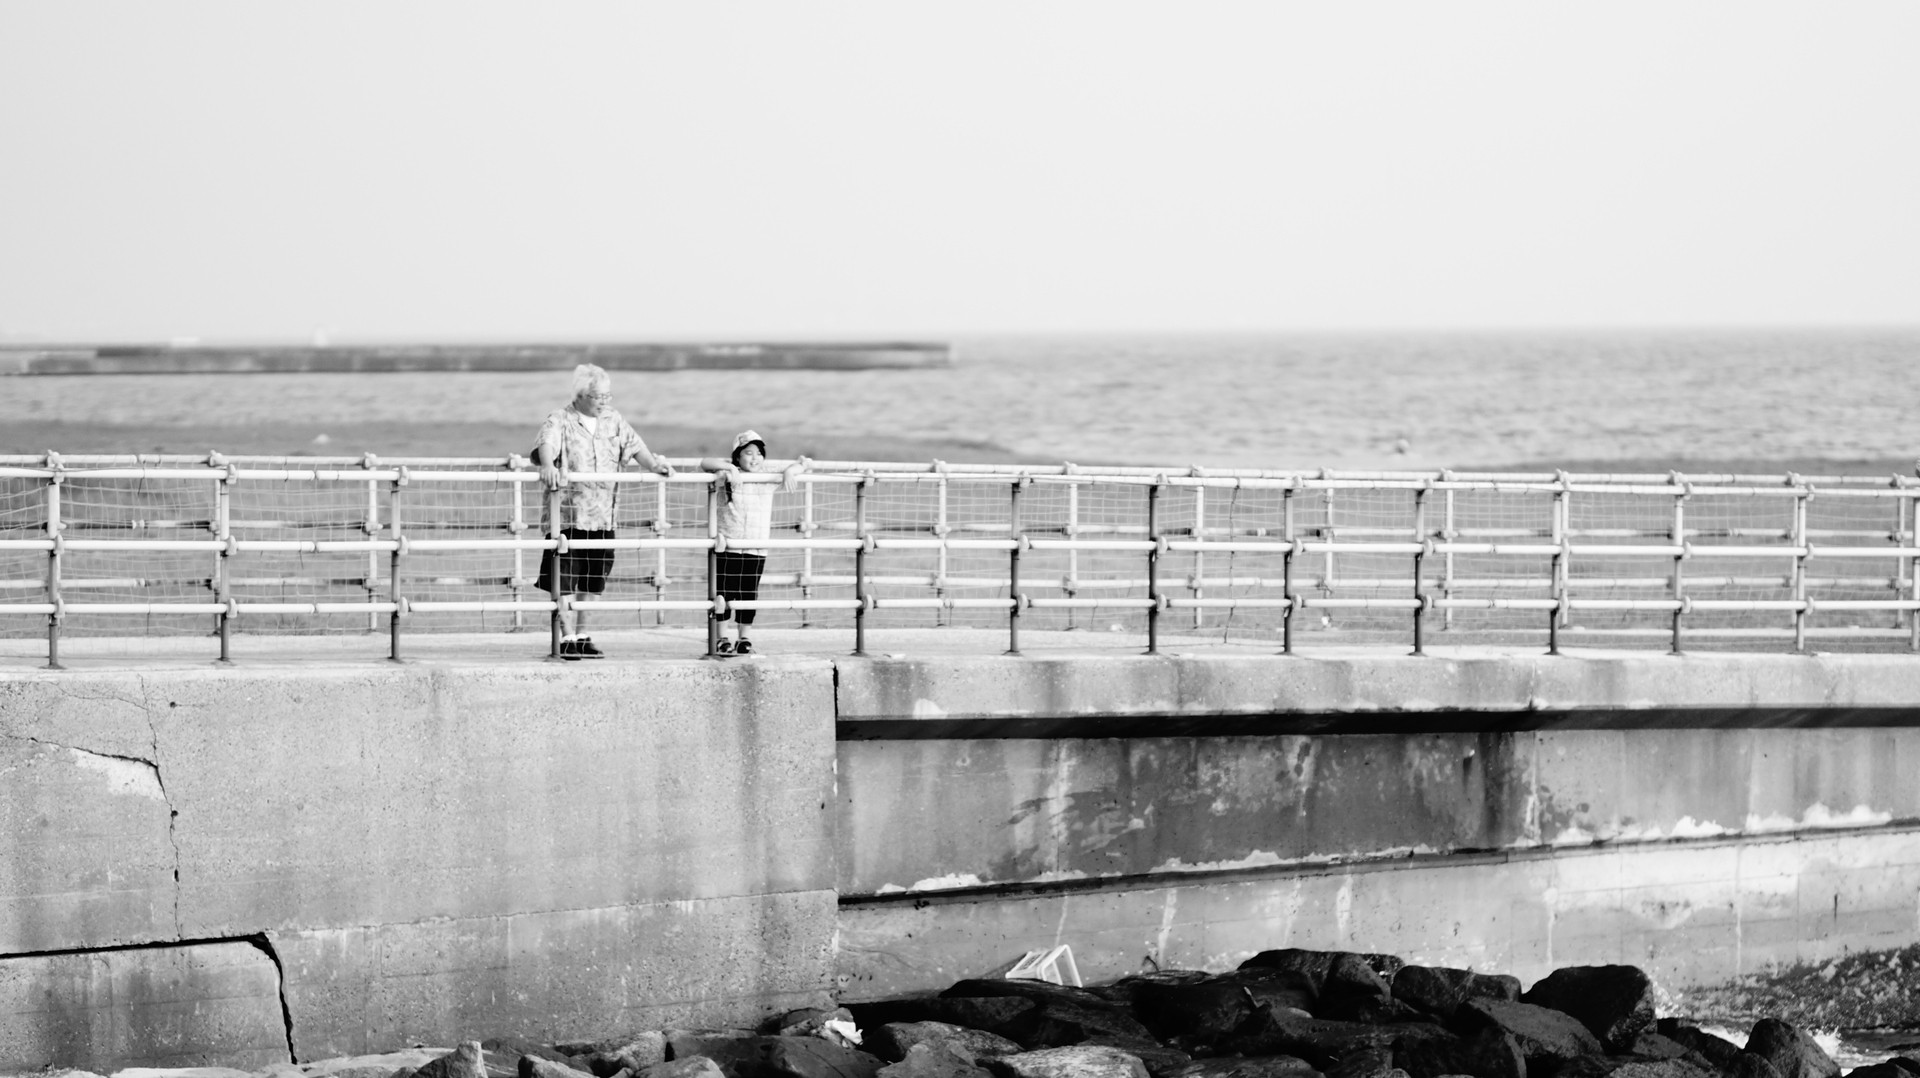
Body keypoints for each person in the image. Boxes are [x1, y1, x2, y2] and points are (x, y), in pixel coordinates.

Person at [531, 364, 674, 659]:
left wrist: (654, 465)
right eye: (598, 397)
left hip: (604, 515)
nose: (604, 402)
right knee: (564, 579)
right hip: (569, 515)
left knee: (594, 579)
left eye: (608, 396)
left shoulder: (613, 419)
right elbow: (547, 444)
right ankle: (566, 636)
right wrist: (547, 465)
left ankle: (583, 635)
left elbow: (636, 446)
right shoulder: (560, 418)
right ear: (581, 395)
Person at [700, 430, 808, 655]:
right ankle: (722, 638)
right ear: (738, 456)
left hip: (756, 547)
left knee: (749, 593)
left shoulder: (767, 476)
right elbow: (704, 462)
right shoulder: (728, 474)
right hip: (728, 545)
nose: (755, 458)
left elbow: (805, 463)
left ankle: (744, 638)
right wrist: (730, 468)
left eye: (759, 453)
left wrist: (790, 471)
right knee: (724, 592)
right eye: (748, 453)